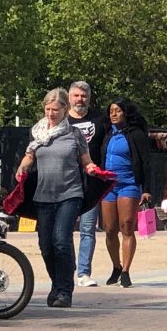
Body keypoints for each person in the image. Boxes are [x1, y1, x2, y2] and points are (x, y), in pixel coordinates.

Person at [15, 88, 100, 308]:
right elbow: (29, 155)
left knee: (61, 241)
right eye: (47, 109)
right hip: (43, 196)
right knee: (46, 245)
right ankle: (56, 284)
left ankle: (65, 290)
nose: (51, 113)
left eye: (55, 109)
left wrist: (91, 168)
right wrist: (22, 167)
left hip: (69, 195)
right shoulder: (38, 133)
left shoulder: (74, 134)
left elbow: (85, 160)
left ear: (65, 109)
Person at [97, 97, 153, 287]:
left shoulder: (136, 134)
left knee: (127, 226)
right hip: (108, 185)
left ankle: (127, 271)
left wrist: (146, 189)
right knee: (109, 228)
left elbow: (146, 162)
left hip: (129, 183)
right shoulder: (107, 134)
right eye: (111, 110)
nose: (113, 114)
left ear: (126, 113)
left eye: (117, 110)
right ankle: (116, 266)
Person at [67, 80, 106, 288]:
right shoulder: (61, 120)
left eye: (83, 96)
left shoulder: (100, 119)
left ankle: (83, 272)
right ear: (69, 97)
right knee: (64, 229)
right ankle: (67, 271)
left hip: (92, 181)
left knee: (88, 228)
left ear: (88, 98)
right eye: (76, 96)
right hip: (67, 181)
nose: (80, 99)